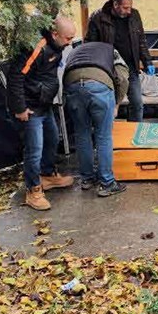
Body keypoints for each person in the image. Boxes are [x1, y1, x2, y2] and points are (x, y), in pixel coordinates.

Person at [6, 15, 76, 211]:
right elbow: (16, 77)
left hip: (44, 105)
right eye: (68, 38)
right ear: (55, 34)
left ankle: (47, 175)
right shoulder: (36, 48)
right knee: (34, 150)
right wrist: (19, 108)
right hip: (29, 108)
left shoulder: (58, 48)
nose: (70, 43)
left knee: (53, 140)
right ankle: (33, 190)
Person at [64, 40, 130, 197]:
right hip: (99, 86)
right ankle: (107, 183)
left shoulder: (76, 50)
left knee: (82, 134)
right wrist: (117, 104)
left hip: (72, 86)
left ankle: (87, 179)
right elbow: (122, 78)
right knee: (103, 136)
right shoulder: (112, 50)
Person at [85, 0, 154, 122]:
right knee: (108, 105)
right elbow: (90, 44)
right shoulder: (98, 17)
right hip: (108, 69)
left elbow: (141, 40)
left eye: (130, 7)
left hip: (131, 67)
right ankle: (108, 134)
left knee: (137, 103)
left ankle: (134, 133)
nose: (129, 11)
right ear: (116, 5)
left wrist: (148, 62)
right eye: (125, 7)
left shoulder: (134, 15)